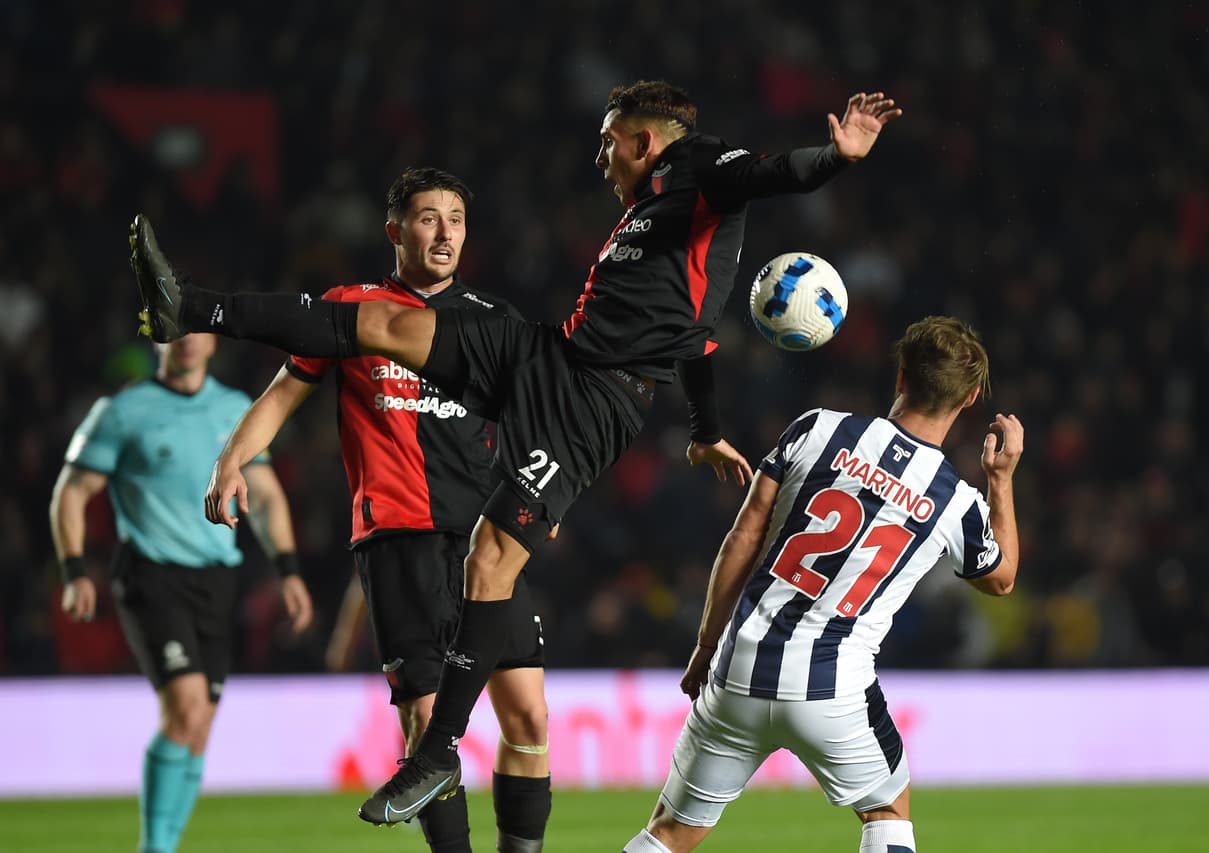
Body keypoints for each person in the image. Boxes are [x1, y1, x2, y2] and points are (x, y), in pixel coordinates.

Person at [127, 81, 903, 824]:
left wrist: (838, 157)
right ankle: (186, 306)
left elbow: (773, 174)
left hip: (592, 401)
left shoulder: (699, 167)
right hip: (551, 356)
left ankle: (436, 751)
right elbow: (694, 337)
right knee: (380, 321)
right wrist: (703, 428)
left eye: (608, 146)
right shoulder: (661, 220)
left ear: (642, 140)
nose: (600, 161)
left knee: (491, 560)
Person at [203, 167, 553, 853]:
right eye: (428, 217)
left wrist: (547, 492)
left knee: (529, 717)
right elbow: (282, 392)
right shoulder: (350, 309)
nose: (445, 231)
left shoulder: (493, 319)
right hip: (400, 542)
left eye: (455, 217)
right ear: (395, 230)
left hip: (488, 541)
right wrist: (231, 458)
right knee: (427, 726)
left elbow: (535, 422)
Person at [621, 316, 1024, 853]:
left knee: (669, 833)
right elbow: (1001, 580)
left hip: (741, 667)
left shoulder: (818, 428)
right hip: (834, 687)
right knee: (887, 810)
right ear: (971, 397)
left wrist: (704, 647)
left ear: (901, 376)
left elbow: (741, 540)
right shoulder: (954, 499)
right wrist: (1000, 479)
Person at [50, 332, 313, 853]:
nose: (188, 341)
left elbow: (263, 495)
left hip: (216, 581)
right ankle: (155, 847)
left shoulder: (237, 409)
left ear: (213, 341)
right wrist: (75, 569)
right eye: (174, 330)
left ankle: (165, 842)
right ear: (156, 339)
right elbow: (71, 491)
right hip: (152, 575)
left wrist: (288, 570)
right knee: (187, 711)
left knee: (199, 729)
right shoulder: (122, 411)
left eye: (197, 328)